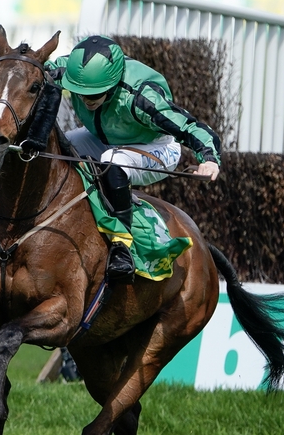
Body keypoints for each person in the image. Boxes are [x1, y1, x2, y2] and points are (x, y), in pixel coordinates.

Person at [46, 35, 221, 283]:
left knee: (112, 161)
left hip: (157, 146)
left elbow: (190, 127)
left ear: (113, 84)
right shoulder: (72, 69)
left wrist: (209, 159)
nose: (86, 100)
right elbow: (30, 71)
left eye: (94, 94)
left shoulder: (141, 97)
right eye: (80, 92)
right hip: (104, 139)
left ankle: (122, 247)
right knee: (58, 146)